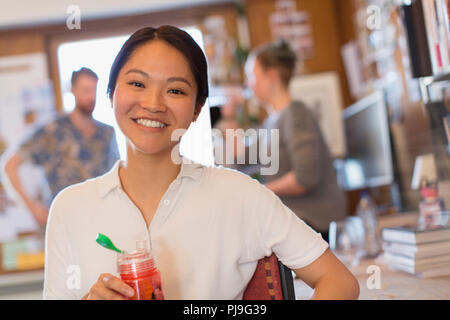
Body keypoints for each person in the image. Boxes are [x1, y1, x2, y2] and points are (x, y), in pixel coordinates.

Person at [43, 26, 359, 300]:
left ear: (196, 110)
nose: (153, 103)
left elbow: (340, 281)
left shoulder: (240, 196)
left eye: (176, 90)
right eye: (137, 84)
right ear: (110, 95)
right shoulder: (69, 209)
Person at [222, 41, 347, 242]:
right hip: (297, 224)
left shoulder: (296, 114)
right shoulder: (271, 121)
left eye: (252, 76)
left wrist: (261, 192)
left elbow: (305, 178)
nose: (249, 84)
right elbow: (239, 160)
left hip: (314, 225)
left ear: (271, 76)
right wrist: (230, 116)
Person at [3, 67, 120, 226]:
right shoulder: (52, 130)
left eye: (93, 90)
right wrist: (33, 209)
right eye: (85, 90)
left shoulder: (107, 133)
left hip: (103, 220)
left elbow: (116, 176)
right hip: (64, 222)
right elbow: (9, 166)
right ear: (73, 90)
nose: (90, 96)